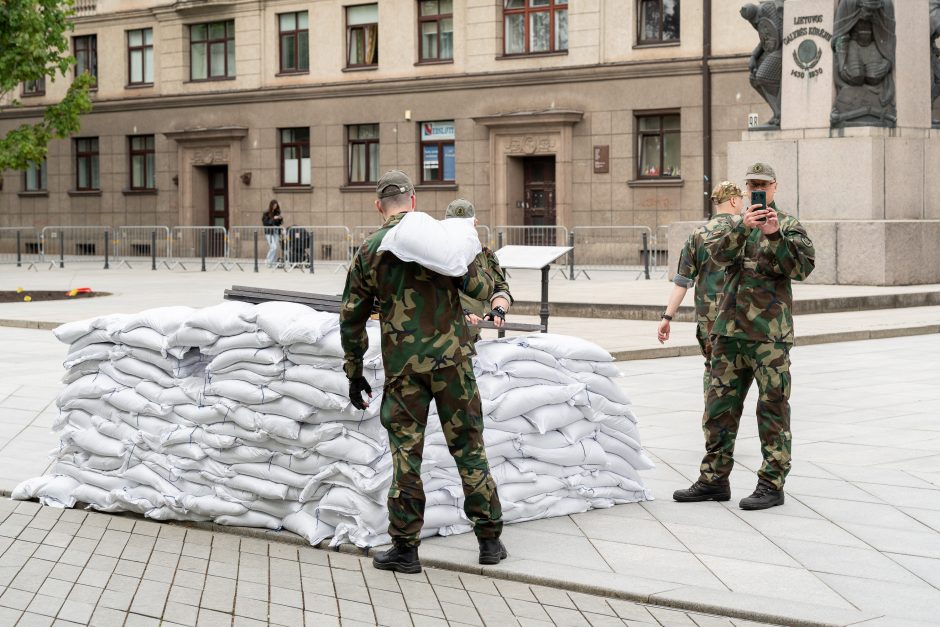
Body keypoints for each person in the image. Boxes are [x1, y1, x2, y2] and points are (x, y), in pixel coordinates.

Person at [340, 170, 506, 573]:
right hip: (453, 364)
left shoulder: (369, 251)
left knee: (406, 457)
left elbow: (352, 316)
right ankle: (489, 541)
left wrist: (354, 369)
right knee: (469, 448)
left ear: (379, 206)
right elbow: (482, 289)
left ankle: (405, 550)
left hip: (403, 370)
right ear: (413, 200)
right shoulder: (443, 241)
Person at [673, 162, 815, 510]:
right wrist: (743, 229)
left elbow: (801, 269)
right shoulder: (737, 225)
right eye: (752, 184)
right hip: (728, 332)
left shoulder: (790, 226)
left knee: (772, 410)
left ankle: (771, 483)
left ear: (775, 188)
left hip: (769, 337)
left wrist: (773, 234)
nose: (758, 190)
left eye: (763, 185)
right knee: (718, 408)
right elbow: (718, 256)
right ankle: (713, 480)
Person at [658, 181, 744, 397]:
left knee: (714, 369)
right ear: (734, 200)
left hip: (710, 318)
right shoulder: (747, 229)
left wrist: (667, 317)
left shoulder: (698, 235)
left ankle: (714, 424)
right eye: (741, 199)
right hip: (745, 314)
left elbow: (682, 281)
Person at [443, 198, 513, 340]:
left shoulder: (484, 254)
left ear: (475, 224)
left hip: (471, 338)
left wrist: (498, 309)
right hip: (441, 337)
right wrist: (460, 311)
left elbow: (500, 288)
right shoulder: (433, 253)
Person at [262, 200, 283, 268]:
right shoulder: (266, 213)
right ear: (271, 205)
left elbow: (279, 223)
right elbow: (266, 223)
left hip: (276, 232)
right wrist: (273, 218)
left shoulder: (277, 212)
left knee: (275, 247)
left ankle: (272, 262)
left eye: (276, 206)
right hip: (269, 232)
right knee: (273, 247)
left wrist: (280, 219)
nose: (275, 207)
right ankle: (268, 260)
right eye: (274, 205)